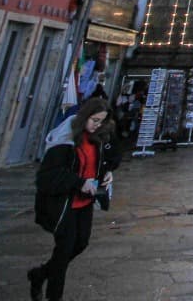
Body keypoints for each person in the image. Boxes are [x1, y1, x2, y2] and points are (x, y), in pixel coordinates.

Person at [29, 97, 119, 301]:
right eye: (94, 120)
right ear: (85, 116)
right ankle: (54, 296)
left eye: (100, 121)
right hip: (64, 204)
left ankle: (40, 274)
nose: (96, 125)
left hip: (85, 202)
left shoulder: (98, 136)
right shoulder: (66, 139)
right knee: (64, 250)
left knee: (81, 243)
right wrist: (79, 183)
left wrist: (107, 172)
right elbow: (47, 176)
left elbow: (106, 159)